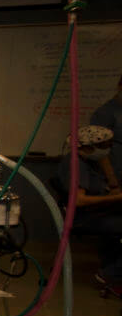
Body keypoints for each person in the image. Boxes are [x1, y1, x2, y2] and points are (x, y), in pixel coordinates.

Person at [58, 125, 122, 292]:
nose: (107, 149)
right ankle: (110, 273)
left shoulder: (89, 161)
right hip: (86, 217)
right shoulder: (76, 164)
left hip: (98, 213)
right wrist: (116, 198)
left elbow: (110, 183)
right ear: (86, 147)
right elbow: (79, 200)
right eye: (102, 146)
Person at [90, 74, 122, 179]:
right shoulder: (105, 113)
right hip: (115, 177)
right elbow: (98, 151)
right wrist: (112, 181)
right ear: (120, 87)